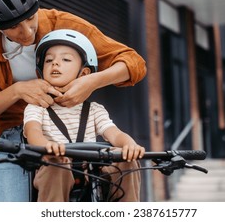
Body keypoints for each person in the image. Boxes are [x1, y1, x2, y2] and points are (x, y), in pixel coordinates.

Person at [0, 0, 147, 202]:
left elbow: (134, 63)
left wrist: (92, 81)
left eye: (31, 18)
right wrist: (18, 90)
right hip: (15, 136)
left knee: (123, 170)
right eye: (14, 27)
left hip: (74, 132)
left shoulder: (65, 24)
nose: (27, 32)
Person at [24, 29, 145, 201]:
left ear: (84, 74)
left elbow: (115, 133)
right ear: (40, 71)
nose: (55, 63)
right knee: (56, 164)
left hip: (93, 171)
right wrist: (47, 147)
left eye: (65, 59)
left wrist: (129, 145)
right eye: (49, 60)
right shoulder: (37, 106)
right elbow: (32, 132)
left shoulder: (94, 109)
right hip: (56, 169)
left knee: (126, 160)